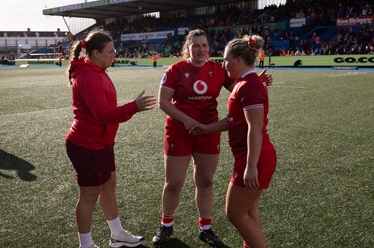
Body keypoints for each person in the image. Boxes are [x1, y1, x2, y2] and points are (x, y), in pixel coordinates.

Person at [153, 29, 272, 247]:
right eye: (196, 45)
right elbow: (163, 101)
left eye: (205, 45)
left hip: (208, 132)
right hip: (179, 131)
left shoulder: (218, 69)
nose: (201, 50)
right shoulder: (175, 70)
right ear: (187, 48)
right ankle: (166, 225)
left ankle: (205, 228)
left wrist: (258, 79)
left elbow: (240, 87)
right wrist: (186, 120)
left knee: (205, 181)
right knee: (174, 182)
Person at [65, 30, 156, 248]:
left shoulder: (97, 70)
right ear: (95, 53)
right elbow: (101, 114)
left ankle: (117, 234)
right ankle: (85, 245)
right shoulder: (88, 75)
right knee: (89, 195)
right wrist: (134, 107)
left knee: (108, 186)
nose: (113, 56)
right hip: (87, 145)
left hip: (101, 143)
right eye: (110, 52)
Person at [194, 35, 277, 248]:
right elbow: (234, 121)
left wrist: (250, 166)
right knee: (249, 210)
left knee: (234, 213)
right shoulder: (245, 83)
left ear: (239, 60)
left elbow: (254, 128)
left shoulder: (249, 85)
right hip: (251, 156)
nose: (223, 64)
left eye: (226, 59)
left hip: (254, 158)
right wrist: (206, 129)